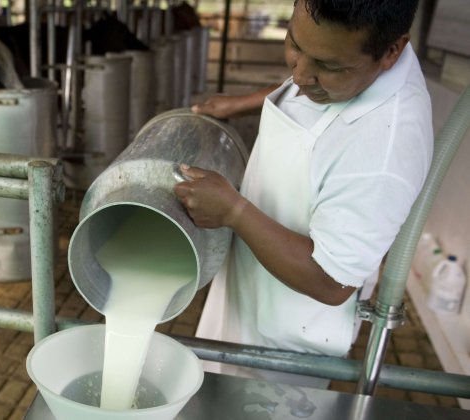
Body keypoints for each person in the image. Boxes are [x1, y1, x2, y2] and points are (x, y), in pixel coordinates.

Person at [174, 0, 432, 388]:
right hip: (246, 297)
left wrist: (234, 211)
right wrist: (248, 102)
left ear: (391, 51)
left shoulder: (384, 148)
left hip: (280, 352)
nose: (299, 78)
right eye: (294, 44)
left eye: (328, 67)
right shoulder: (343, 59)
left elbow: (331, 281)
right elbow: (313, 69)